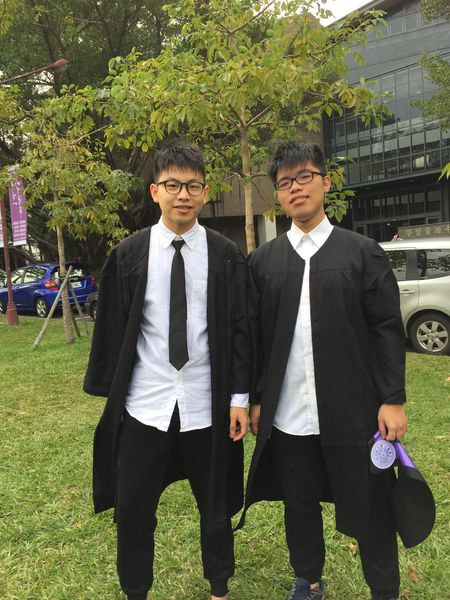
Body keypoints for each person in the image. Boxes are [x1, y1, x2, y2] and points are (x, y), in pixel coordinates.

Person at [239, 142, 408, 600]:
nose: (296, 188)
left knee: (372, 507)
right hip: (289, 415)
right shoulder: (264, 262)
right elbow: (254, 339)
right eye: (285, 182)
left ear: (326, 182)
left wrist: (392, 399)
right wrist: (257, 398)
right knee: (299, 505)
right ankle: (308, 580)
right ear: (278, 194)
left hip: (355, 413)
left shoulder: (362, 253)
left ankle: (384, 590)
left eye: (305, 177)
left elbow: (387, 330)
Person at [83, 142, 251, 600]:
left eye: (193, 186)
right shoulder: (129, 255)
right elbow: (114, 328)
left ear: (205, 192)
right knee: (133, 510)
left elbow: (241, 330)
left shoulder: (225, 255)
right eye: (172, 185)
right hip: (146, 405)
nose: (183, 195)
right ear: (155, 191)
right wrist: (111, 393)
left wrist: (240, 398)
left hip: (206, 404)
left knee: (215, 507)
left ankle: (219, 588)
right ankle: (136, 590)